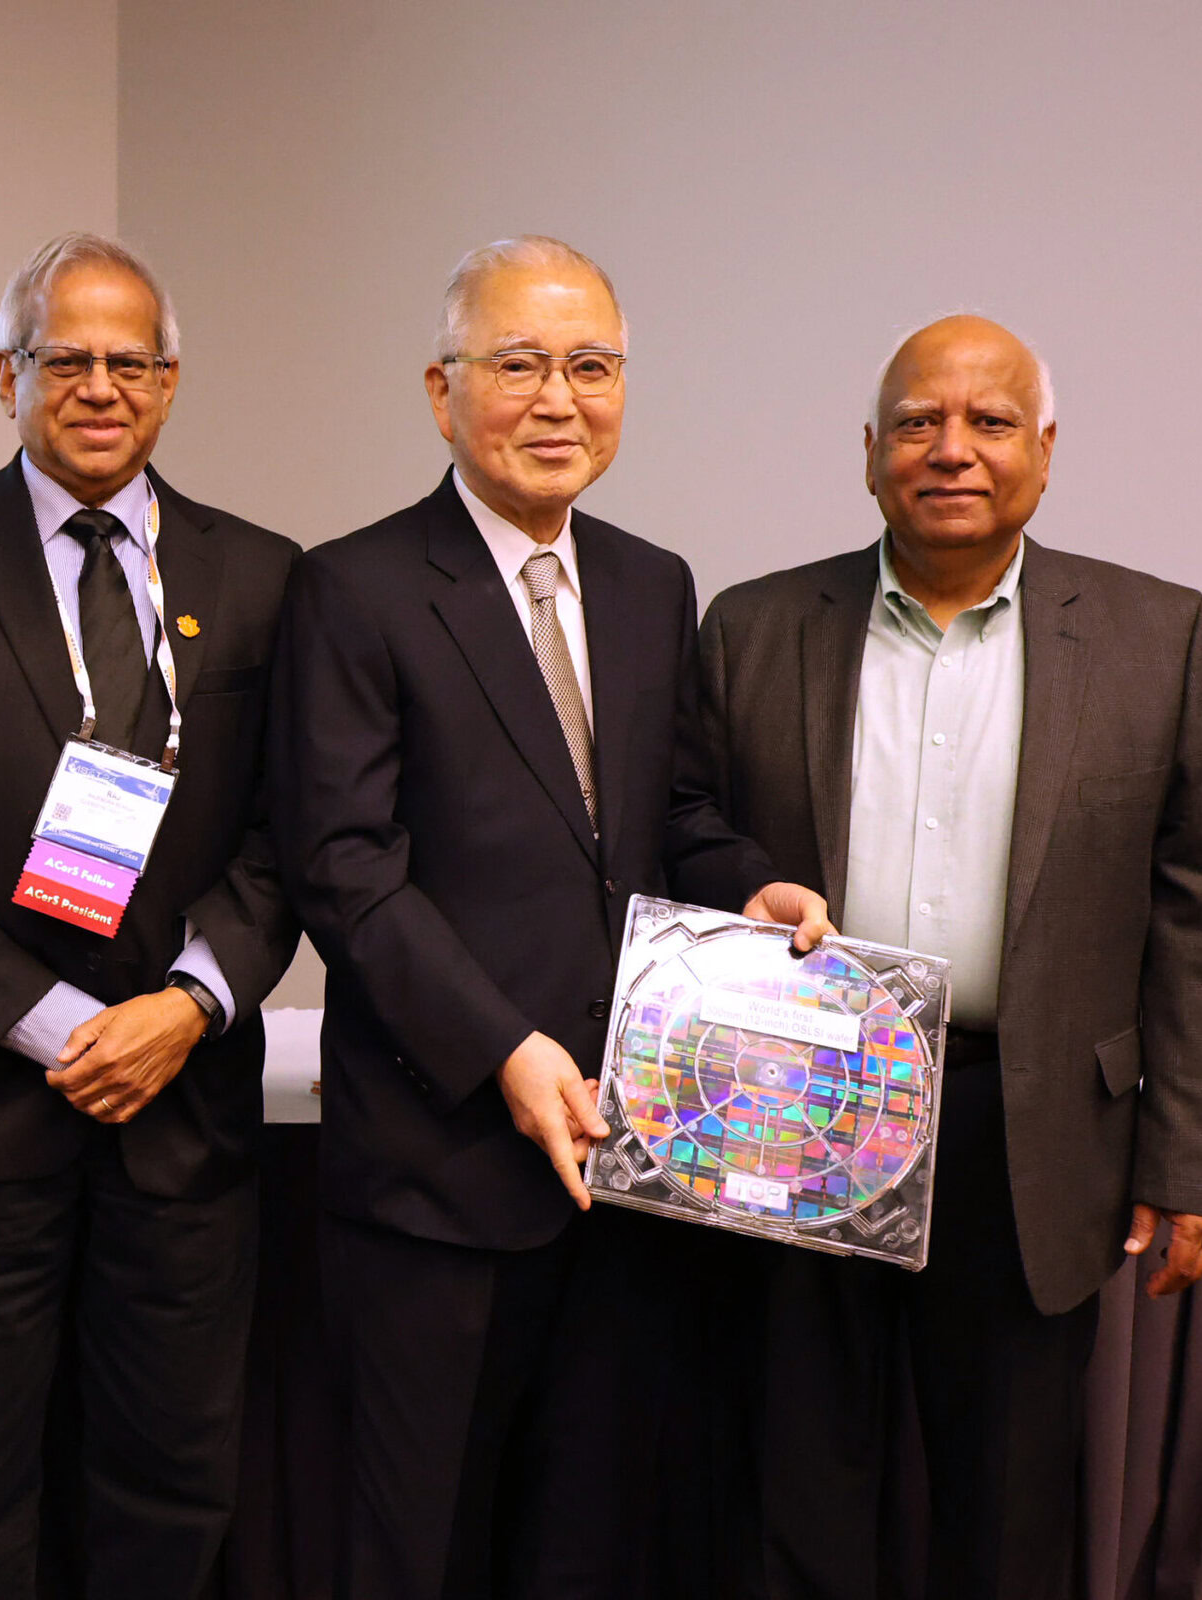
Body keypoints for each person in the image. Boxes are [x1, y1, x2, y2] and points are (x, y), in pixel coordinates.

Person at [270, 235, 833, 1599]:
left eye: (591, 366)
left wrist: (747, 882)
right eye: (519, 364)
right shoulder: (354, 588)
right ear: (442, 388)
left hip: (631, 1169)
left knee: (588, 1543)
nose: (558, 398)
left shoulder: (653, 584)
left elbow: (669, 817)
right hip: (439, 1167)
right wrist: (508, 1052)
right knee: (414, 1544)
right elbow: (345, 868)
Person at [698, 315, 1202, 1600]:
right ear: (869, 453)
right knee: (799, 1492)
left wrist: (1190, 1164)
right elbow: (688, 834)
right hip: (802, 1121)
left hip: (1033, 1129)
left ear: (1046, 453)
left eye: (990, 423)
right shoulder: (752, 627)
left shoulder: (1156, 636)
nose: (951, 450)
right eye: (917, 423)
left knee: (1009, 1516)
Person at [0, 232, 300, 1598]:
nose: (99, 385)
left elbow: (291, 832)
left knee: (171, 1489)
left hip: (183, 1107)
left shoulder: (259, 574)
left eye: (129, 360)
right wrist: (47, 1027)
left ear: (169, 383)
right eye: (64, 357)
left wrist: (189, 1004)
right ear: (6, 375)